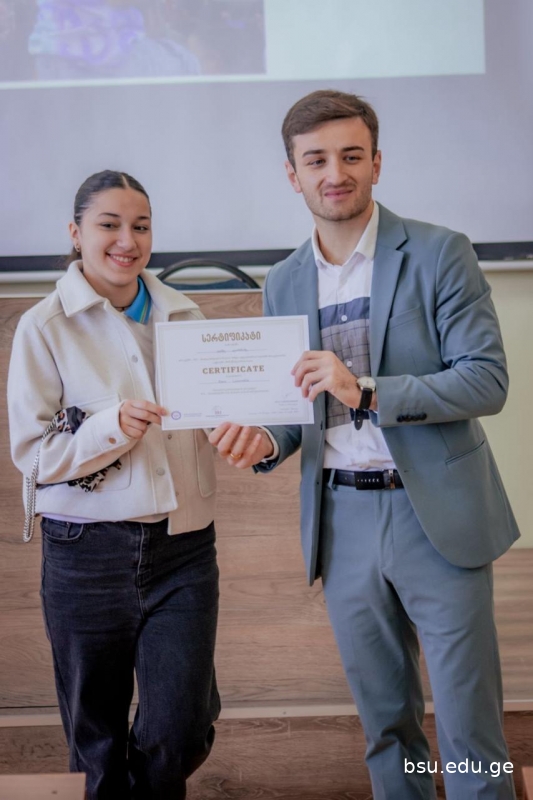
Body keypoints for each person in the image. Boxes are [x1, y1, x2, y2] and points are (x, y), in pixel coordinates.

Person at [209, 90, 520, 799]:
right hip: (341, 520)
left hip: (434, 515)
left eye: (350, 156)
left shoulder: (440, 252)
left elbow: (485, 380)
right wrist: (262, 441)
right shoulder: (285, 280)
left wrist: (368, 391)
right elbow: (298, 410)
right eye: (315, 160)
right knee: (387, 728)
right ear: (292, 174)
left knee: (470, 729)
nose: (334, 173)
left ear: (376, 163)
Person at [7, 170, 219, 800]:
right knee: (95, 740)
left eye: (141, 226)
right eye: (109, 225)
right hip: (84, 554)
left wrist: (246, 426)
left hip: (183, 548)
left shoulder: (186, 314)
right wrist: (108, 428)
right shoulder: (44, 326)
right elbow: (32, 455)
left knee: (181, 729)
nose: (128, 240)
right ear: (75, 233)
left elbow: (215, 412)